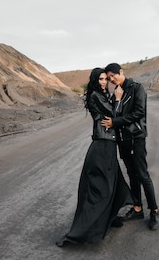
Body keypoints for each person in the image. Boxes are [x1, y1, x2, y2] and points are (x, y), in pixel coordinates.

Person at [56, 68, 133, 247]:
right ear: (94, 80)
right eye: (100, 79)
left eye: (106, 79)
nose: (104, 82)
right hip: (102, 144)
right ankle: (83, 231)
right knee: (101, 187)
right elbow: (114, 114)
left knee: (113, 182)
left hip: (108, 143)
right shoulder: (95, 96)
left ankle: (110, 216)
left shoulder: (102, 94)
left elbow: (114, 116)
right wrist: (118, 99)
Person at [101, 63, 159, 230]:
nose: (112, 79)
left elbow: (139, 113)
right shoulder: (116, 93)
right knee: (132, 175)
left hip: (136, 137)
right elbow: (114, 112)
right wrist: (117, 101)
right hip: (123, 140)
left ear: (121, 72)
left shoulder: (136, 88)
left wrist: (115, 121)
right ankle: (137, 209)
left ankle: (154, 210)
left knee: (142, 174)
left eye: (113, 75)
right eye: (109, 77)